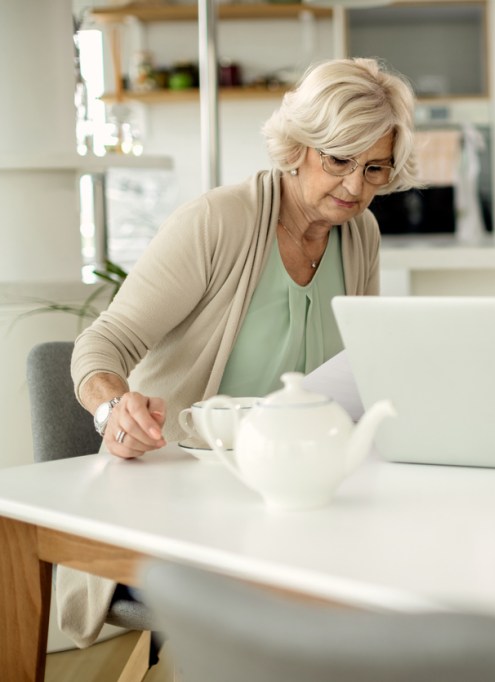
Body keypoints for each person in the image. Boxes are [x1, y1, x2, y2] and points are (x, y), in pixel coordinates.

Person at [60, 58, 418, 649]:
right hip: (182, 506)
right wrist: (111, 411)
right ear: (300, 144)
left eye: (375, 168)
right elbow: (103, 344)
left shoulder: (361, 234)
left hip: (293, 502)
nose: (355, 188)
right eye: (339, 161)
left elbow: (360, 368)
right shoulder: (218, 222)